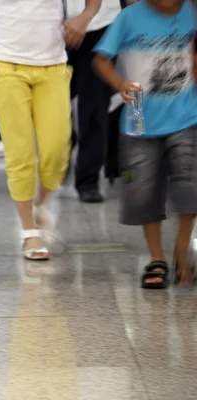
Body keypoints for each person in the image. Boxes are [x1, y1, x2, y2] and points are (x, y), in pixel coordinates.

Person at [0, 0, 101, 260]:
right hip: (4, 65)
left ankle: (41, 203)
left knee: (57, 149)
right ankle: (29, 231)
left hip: (53, 66)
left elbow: (94, 3)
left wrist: (84, 17)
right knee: (21, 154)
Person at [93, 0, 197, 289]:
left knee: (190, 184)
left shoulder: (192, 12)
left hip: (187, 115)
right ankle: (156, 258)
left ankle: (181, 250)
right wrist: (120, 84)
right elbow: (100, 59)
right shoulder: (129, 17)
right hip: (140, 117)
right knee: (143, 191)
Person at [67, 0, 121, 203]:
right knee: (53, 102)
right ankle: (62, 147)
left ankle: (88, 180)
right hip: (52, 25)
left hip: (101, 24)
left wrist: (85, 17)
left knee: (94, 107)